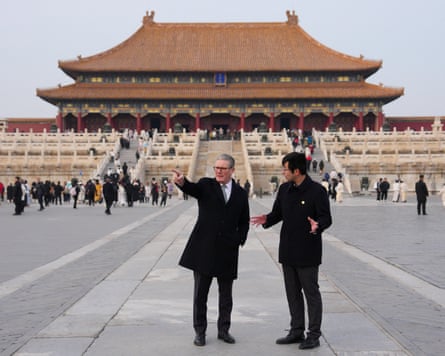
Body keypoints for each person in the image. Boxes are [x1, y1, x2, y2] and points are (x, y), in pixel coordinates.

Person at [251, 152, 332, 350]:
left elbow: (326, 218)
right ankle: (296, 330)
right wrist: (267, 220)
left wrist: (317, 226)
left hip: (308, 251)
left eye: (285, 169)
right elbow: (278, 213)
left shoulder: (316, 191)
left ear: (297, 170)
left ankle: (313, 334)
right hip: (288, 249)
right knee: (292, 293)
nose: (283, 172)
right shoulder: (285, 189)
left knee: (311, 293)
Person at [172, 153, 250, 347]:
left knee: (226, 295)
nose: (219, 171)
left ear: (232, 170)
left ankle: (224, 330)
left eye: (223, 168)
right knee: (200, 295)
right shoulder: (206, 185)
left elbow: (244, 220)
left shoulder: (240, 193)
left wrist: (239, 239)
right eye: (216, 168)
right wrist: (182, 182)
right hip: (204, 248)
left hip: (228, 250)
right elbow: (193, 188)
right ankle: (200, 332)